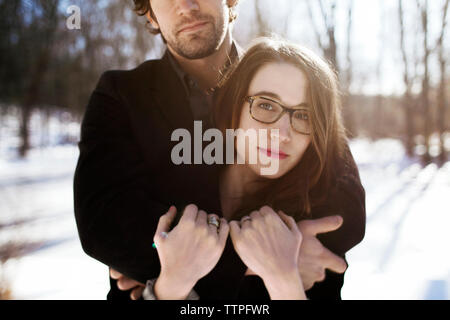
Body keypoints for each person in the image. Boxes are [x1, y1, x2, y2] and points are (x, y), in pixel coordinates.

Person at [74, 0, 364, 300]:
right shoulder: (120, 95)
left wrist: (161, 262)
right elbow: (106, 229)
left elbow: (346, 212)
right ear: (150, 12)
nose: (186, 5)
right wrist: (267, 255)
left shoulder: (279, 77)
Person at [136, 37, 365, 300]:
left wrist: (283, 278)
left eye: (304, 115)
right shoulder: (168, 190)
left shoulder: (317, 223)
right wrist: (171, 283)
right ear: (234, 105)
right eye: (266, 105)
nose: (282, 133)